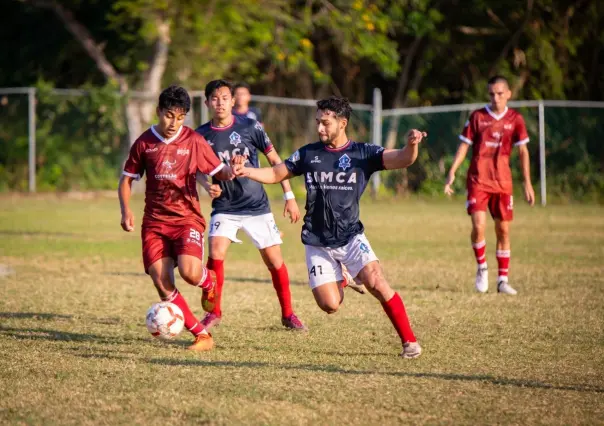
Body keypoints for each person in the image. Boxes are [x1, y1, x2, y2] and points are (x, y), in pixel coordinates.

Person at [232, 96, 425, 358]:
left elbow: (403, 159)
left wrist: (411, 145)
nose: (320, 128)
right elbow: (277, 173)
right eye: (317, 123)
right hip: (317, 241)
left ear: (342, 123)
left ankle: (410, 343)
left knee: (377, 283)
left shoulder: (362, 153)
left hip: (351, 237)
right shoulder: (309, 153)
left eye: (325, 123)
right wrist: (247, 172)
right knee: (330, 305)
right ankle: (344, 277)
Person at [118, 85, 233, 351]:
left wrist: (233, 169)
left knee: (191, 274)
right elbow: (126, 180)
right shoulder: (145, 142)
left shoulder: (193, 140)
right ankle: (202, 335)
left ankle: (209, 279)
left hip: (186, 220)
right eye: (169, 115)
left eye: (180, 117)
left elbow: (219, 170)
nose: (174, 123)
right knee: (161, 281)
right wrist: (126, 210)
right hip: (155, 224)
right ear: (159, 111)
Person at [195, 79, 307, 332]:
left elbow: (276, 161)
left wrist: (289, 197)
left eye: (225, 97)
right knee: (215, 251)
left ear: (233, 101)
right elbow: (196, 170)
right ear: (206, 103)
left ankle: (288, 314)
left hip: (256, 205)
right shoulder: (200, 135)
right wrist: (205, 185)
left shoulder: (250, 126)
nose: (220, 102)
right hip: (224, 206)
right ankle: (214, 312)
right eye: (215, 98)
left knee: (273, 260)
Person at [444, 75, 535, 295]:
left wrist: (528, 183)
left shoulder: (515, 119)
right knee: (479, 226)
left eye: (500, 93)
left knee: (503, 230)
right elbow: (464, 146)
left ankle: (502, 280)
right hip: (478, 180)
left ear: (508, 94)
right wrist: (452, 172)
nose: (495, 98)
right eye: (492, 94)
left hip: (503, 182)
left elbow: (523, 151)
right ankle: (482, 267)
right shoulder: (477, 117)